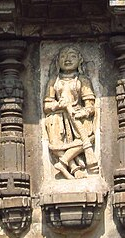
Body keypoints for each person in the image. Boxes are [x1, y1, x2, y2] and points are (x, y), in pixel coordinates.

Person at [42, 47, 98, 179]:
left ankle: (64, 161)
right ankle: (74, 167)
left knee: (90, 136)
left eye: (72, 56)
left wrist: (83, 112)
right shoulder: (54, 81)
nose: (67, 59)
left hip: (76, 115)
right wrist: (57, 105)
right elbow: (46, 106)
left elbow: (90, 105)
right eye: (63, 57)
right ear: (57, 62)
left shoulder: (82, 80)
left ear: (80, 61)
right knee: (55, 140)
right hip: (58, 116)